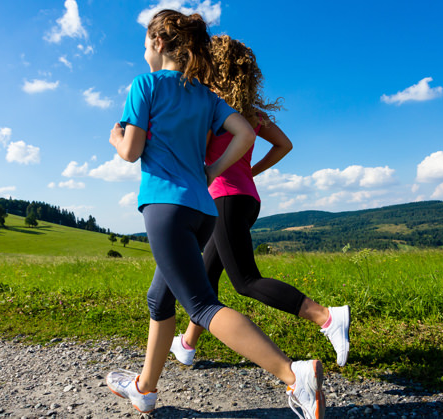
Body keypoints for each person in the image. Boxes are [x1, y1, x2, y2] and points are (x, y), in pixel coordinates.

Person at [105, 10, 325, 419]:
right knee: (159, 297)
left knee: (203, 305)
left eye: (144, 44)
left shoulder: (145, 86)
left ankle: (295, 376)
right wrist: (212, 171)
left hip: (165, 207)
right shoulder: (206, 96)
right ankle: (145, 389)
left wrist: (116, 136)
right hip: (203, 209)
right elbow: (245, 133)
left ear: (157, 43)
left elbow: (131, 152)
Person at [169, 35, 351, 370]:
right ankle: (187, 344)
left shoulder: (212, 108)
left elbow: (197, 155)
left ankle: (326, 317)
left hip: (223, 199)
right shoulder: (250, 113)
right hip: (246, 199)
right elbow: (284, 145)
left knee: (246, 281)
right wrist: (250, 170)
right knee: (207, 277)